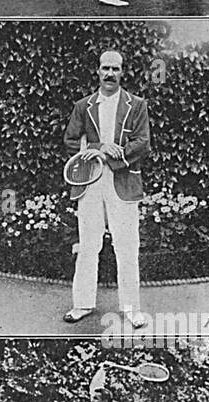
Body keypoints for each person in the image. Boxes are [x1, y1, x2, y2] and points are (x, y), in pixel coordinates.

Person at [64, 50, 150, 329]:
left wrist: (113, 156)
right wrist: (100, 149)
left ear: (122, 72)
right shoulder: (83, 105)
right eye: (105, 68)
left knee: (127, 247)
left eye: (115, 68)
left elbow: (142, 144)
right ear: (98, 71)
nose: (110, 74)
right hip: (89, 183)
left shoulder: (136, 105)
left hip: (123, 183)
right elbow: (69, 141)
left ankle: (132, 310)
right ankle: (82, 304)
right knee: (88, 245)